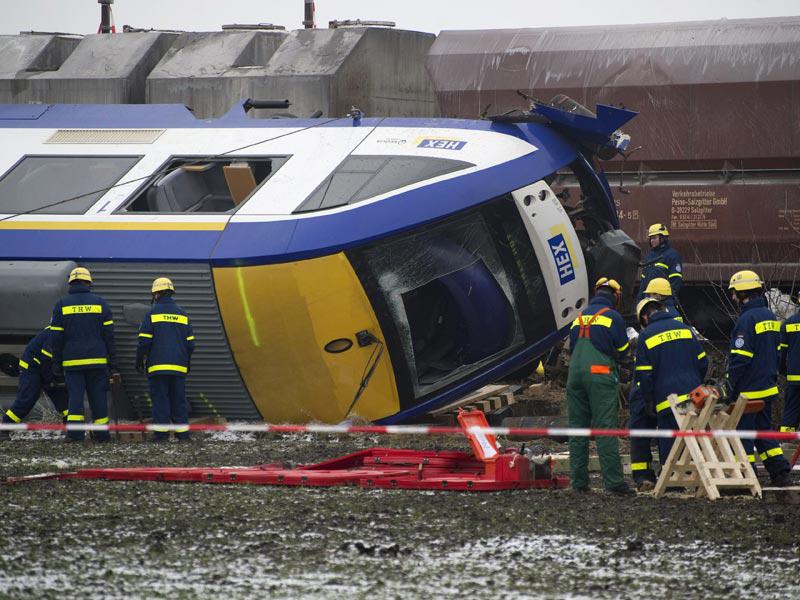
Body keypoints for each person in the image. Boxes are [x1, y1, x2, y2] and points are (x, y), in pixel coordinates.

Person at [566, 277, 633, 495]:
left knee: (578, 429)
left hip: (574, 376)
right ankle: (613, 482)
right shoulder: (613, 317)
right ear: (616, 296)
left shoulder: (579, 317)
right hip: (599, 375)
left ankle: (578, 482)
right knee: (605, 428)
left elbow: (572, 347)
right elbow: (623, 351)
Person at [726, 270, 793, 486]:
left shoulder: (746, 320)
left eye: (735, 293)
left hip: (749, 391)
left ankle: (747, 475)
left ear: (743, 292)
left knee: (743, 433)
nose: (734, 298)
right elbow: (777, 352)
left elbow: (740, 358)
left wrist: (729, 384)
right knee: (763, 431)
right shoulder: (769, 315)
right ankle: (779, 470)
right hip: (768, 387)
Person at [633, 297, 708, 476]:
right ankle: (693, 477)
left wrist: (649, 399)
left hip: (667, 401)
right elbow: (703, 362)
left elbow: (644, 373)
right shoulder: (686, 330)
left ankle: (673, 483)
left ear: (644, 317)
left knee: (670, 442)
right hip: (693, 397)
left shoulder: (646, 335)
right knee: (692, 438)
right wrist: (695, 382)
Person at [50, 267, 118, 442]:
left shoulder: (61, 305)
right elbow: (109, 336)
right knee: (98, 398)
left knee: (75, 399)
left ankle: (75, 435)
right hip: (97, 361)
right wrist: (112, 361)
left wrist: (56, 363)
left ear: (71, 283)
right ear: (88, 283)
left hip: (73, 363)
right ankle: (102, 435)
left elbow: (56, 338)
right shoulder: (100, 303)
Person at [136, 277, 194, 441]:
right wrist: (187, 362)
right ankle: (183, 435)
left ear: (157, 294)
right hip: (178, 367)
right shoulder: (182, 314)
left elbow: (144, 341)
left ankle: (161, 436)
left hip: (158, 367)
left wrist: (139, 360)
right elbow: (190, 344)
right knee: (179, 400)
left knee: (160, 400)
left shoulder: (151, 313)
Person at [0, 326, 68, 440]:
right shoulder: (55, 333)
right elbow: (46, 359)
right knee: (27, 398)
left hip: (48, 369)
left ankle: (72, 428)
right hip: (32, 369)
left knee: (64, 399)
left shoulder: (66, 332)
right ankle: (4, 427)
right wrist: (51, 380)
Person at [636, 223, 683, 303]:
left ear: (663, 238)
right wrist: (639, 301)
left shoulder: (672, 255)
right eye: (650, 238)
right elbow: (643, 283)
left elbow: (675, 282)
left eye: (654, 238)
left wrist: (668, 301)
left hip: (663, 301)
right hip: (649, 302)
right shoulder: (649, 256)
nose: (652, 241)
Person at [779, 295, 800, 433]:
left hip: (794, 378)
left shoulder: (789, 324)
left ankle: (786, 441)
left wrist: (783, 370)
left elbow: (781, 353)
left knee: (791, 411)